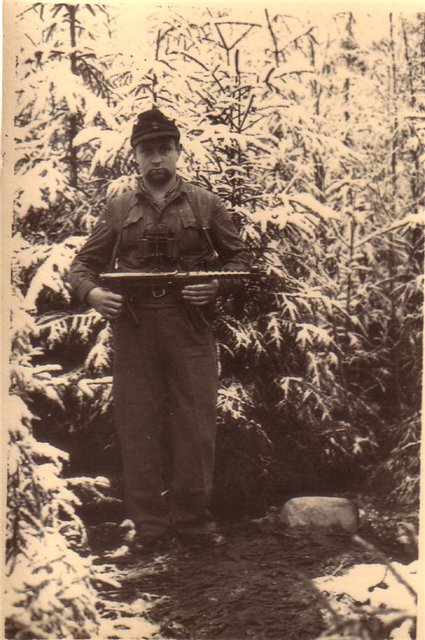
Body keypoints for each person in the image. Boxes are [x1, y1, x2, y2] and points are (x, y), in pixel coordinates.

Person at [69, 108, 251, 551]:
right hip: (134, 328)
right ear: (134, 156)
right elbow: (83, 266)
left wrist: (214, 286)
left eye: (164, 149)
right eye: (147, 150)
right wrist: (94, 294)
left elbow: (241, 261)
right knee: (138, 426)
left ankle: (194, 525)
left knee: (194, 425)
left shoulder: (206, 204)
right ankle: (149, 528)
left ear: (177, 152)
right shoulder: (118, 207)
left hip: (189, 327)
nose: (156, 158)